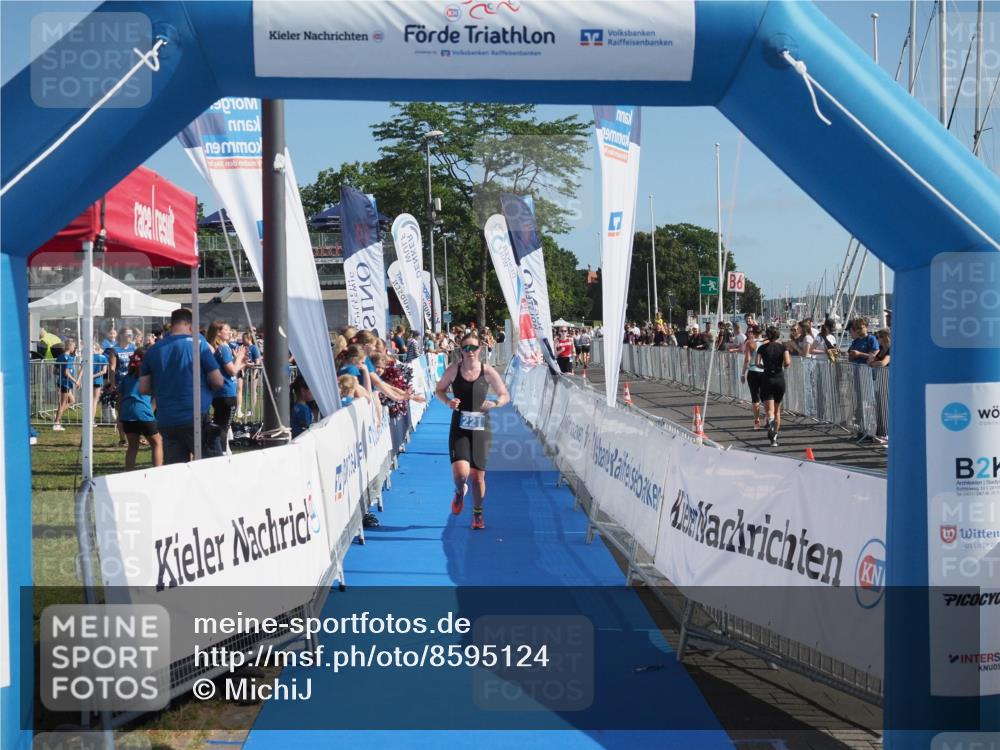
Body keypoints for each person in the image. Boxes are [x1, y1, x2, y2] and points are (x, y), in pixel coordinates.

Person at [434, 331, 510, 530]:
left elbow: (504, 395)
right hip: (459, 427)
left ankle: (477, 513)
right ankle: (460, 492)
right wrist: (448, 401)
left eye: (473, 347)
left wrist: (494, 403)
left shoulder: (488, 371)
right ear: (461, 350)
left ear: (480, 349)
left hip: (481, 429)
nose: (470, 351)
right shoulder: (453, 370)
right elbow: (439, 390)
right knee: (460, 475)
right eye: (466, 347)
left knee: (477, 478)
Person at [140, 308, 225, 464]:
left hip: (166, 418)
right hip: (195, 416)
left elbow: (144, 388)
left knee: (176, 472)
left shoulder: (153, 350)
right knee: (213, 468)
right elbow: (218, 380)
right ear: (189, 324)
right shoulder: (198, 343)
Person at [118, 348, 163, 469]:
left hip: (127, 415)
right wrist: (151, 411)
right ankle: (158, 471)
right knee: (157, 443)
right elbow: (157, 396)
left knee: (132, 446)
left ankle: (129, 472)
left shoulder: (127, 378)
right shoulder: (150, 378)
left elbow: (120, 398)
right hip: (144, 413)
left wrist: (120, 417)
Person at [207, 320, 247, 454]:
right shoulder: (223, 348)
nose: (230, 332)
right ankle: (222, 452)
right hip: (226, 393)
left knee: (220, 425)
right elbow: (232, 371)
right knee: (224, 426)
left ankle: (220, 451)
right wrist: (239, 358)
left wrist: (242, 363)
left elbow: (230, 370)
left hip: (221, 393)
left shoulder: (222, 348)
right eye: (226, 329)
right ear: (218, 332)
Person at [756, 325, 792, 447]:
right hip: (779, 379)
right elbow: (787, 362)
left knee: (770, 411)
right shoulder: (783, 347)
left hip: (767, 378)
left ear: (767, 335)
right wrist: (783, 366)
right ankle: (774, 439)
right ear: (778, 335)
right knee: (777, 411)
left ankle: (770, 422)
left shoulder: (762, 348)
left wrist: (764, 367)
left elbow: (757, 363)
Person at [740, 325, 765, 429]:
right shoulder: (766, 342)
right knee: (765, 397)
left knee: (755, 398)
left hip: (753, 371)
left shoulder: (750, 343)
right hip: (764, 371)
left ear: (753, 333)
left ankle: (757, 421)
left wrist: (742, 373)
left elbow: (747, 359)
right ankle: (768, 418)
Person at [53, 339, 79, 430]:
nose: (74, 348)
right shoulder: (69, 358)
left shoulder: (60, 356)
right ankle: (56, 423)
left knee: (72, 401)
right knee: (62, 403)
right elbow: (67, 373)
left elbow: (55, 371)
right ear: (70, 347)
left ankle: (57, 416)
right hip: (65, 383)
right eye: (74, 346)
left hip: (61, 382)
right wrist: (76, 381)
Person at [91, 340, 108, 422]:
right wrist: (93, 376)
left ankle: (89, 419)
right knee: (94, 401)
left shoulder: (88, 357)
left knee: (90, 400)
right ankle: (91, 420)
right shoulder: (103, 358)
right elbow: (104, 371)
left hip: (89, 381)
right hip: (97, 380)